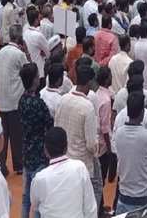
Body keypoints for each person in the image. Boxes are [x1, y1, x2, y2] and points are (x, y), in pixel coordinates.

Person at [54, 63, 99, 206]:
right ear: (89, 83)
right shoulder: (87, 107)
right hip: (82, 164)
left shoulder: (63, 99)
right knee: (88, 200)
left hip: (63, 159)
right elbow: (91, 144)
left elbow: (56, 128)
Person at [29, 127, 97, 218]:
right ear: (66, 147)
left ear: (45, 150)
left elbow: (35, 206)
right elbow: (90, 208)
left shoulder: (39, 178)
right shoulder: (80, 168)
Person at [113, 92, 147, 214]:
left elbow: (116, 151)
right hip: (143, 194)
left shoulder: (118, 134)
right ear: (143, 113)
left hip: (124, 192)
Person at [18, 62, 53, 218]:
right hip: (39, 154)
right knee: (38, 200)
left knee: (26, 197)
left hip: (27, 151)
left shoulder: (22, 100)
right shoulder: (38, 103)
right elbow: (49, 123)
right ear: (33, 80)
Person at [0, 24, 28, 177]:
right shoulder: (19, 54)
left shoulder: (0, 52)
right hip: (15, 99)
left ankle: (1, 165)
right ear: (20, 37)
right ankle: (18, 165)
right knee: (17, 135)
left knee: (4, 135)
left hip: (3, 99)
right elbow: (29, 71)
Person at [23, 8, 50, 84]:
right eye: (39, 19)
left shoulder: (25, 32)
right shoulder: (38, 35)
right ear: (36, 20)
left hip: (28, 69)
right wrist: (44, 54)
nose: (40, 21)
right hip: (38, 71)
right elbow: (48, 52)